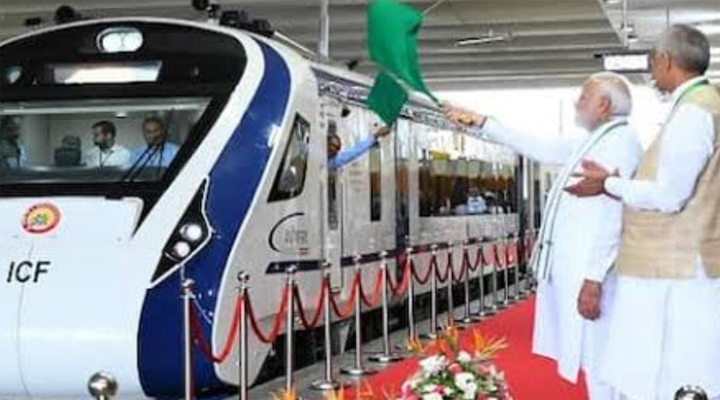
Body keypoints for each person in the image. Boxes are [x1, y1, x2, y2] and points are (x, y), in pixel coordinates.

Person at [445, 71, 643, 400]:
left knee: (603, 363)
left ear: (604, 105)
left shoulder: (619, 144)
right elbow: (541, 148)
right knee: (595, 361)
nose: (576, 103)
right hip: (583, 270)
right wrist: (483, 123)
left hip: (594, 273)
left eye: (583, 97)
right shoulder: (599, 139)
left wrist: (594, 278)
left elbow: (614, 215)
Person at [566, 25, 720, 400]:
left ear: (665, 60)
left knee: (668, 374)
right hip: (687, 263)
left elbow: (669, 196)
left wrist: (609, 184)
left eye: (652, 63)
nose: (652, 73)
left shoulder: (693, 112)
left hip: (676, 267)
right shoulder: (706, 103)